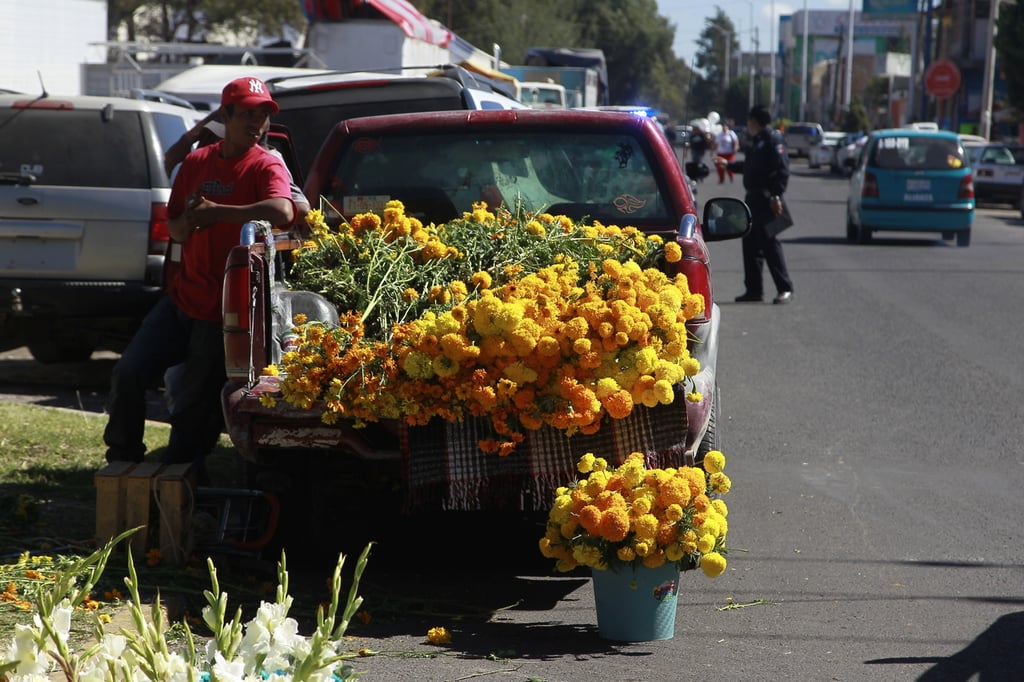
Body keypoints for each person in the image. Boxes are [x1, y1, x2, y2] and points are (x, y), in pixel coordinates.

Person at [103, 77, 296, 477]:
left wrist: (219, 212)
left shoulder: (267, 163)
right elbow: (175, 227)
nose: (256, 123)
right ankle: (121, 463)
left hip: (222, 312)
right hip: (181, 299)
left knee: (193, 401)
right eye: (247, 114)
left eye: (263, 115)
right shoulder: (196, 162)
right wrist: (192, 218)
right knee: (128, 371)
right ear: (225, 115)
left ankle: (181, 479)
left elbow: (283, 212)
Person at [714, 105, 794, 305]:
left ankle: (784, 288)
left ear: (755, 122)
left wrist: (776, 195)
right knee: (749, 245)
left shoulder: (773, 140)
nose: (748, 124)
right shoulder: (757, 141)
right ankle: (754, 289)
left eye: (749, 121)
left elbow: (782, 170)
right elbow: (751, 168)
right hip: (753, 200)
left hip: (767, 200)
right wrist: (729, 165)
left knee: (770, 245)